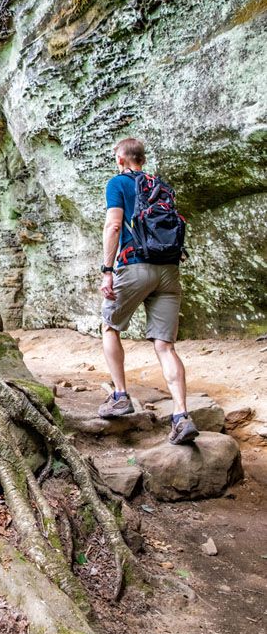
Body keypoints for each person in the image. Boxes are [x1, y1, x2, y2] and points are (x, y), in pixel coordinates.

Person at [98, 137, 199, 444]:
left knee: (109, 326)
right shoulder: (162, 186)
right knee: (165, 346)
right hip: (169, 270)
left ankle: (120, 396)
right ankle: (181, 416)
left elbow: (114, 225)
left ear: (121, 158)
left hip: (135, 266)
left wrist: (107, 270)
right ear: (142, 158)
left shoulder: (118, 183)